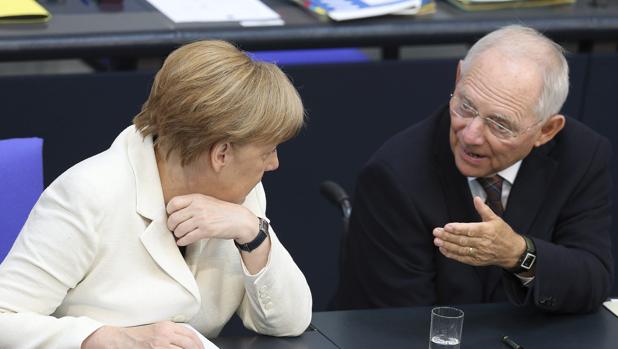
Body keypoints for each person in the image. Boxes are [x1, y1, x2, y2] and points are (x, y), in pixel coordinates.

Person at [0, 40, 312, 348]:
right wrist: (108, 338)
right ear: (221, 154)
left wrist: (252, 232)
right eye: (269, 151)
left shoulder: (243, 196)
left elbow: (289, 322)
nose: (274, 164)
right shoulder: (88, 194)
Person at [334, 25, 613, 314]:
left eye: (500, 124)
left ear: (546, 131)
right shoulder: (394, 177)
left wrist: (519, 254)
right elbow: (400, 323)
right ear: (458, 78)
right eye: (466, 107)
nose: (471, 136)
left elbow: (592, 280)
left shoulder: (582, 155)